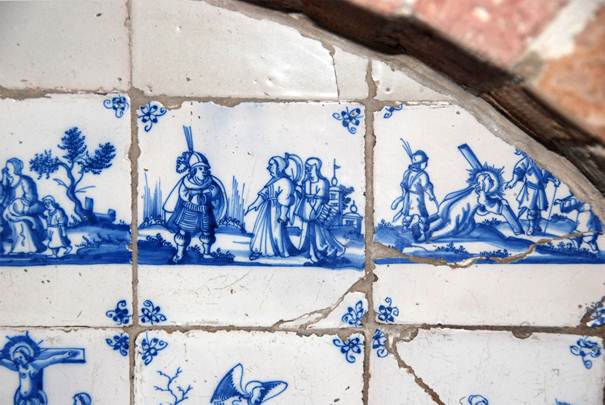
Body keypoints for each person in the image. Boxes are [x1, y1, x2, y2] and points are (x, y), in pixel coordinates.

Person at [163, 151, 225, 263]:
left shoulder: (210, 182)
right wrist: (194, 195)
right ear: (194, 170)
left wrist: (205, 195)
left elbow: (214, 191)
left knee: (207, 232)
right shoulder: (187, 182)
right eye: (200, 168)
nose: (204, 171)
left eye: (205, 168)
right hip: (189, 210)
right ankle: (180, 253)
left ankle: (206, 253)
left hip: (205, 211)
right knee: (183, 232)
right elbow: (184, 195)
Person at [245, 156, 298, 260]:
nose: (268, 168)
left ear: (279, 167)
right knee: (262, 229)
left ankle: (277, 250)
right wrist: (253, 205)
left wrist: (283, 215)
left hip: (276, 211)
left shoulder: (285, 182)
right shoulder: (272, 180)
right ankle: (259, 250)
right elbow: (263, 195)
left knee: (276, 230)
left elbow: (285, 201)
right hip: (267, 210)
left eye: (271, 165)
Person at [0, 337, 79, 405]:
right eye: (16, 359)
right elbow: (3, 362)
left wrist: (65, 355)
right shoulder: (18, 367)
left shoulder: (35, 365)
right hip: (22, 400)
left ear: (25, 355)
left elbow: (51, 360)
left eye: (20, 357)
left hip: (34, 399)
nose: (19, 360)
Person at [295, 158, 345, 263]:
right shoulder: (306, 182)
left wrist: (313, 214)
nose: (308, 170)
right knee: (310, 233)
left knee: (321, 233)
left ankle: (330, 250)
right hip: (307, 209)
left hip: (317, 211)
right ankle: (313, 253)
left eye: (310, 167)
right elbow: (303, 196)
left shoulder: (323, 182)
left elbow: (321, 199)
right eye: (307, 167)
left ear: (317, 168)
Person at [505, 149, 560, 235]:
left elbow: (549, 174)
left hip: (540, 190)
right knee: (532, 209)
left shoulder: (545, 163)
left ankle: (536, 225)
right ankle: (531, 227)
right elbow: (519, 170)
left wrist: (555, 180)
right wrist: (513, 181)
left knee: (538, 209)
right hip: (530, 190)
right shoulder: (527, 161)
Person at [0, 158, 45, 254]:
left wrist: (21, 203)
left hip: (23, 207)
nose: (6, 170)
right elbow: (3, 196)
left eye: (8, 168)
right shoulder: (7, 182)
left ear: (15, 168)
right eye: (6, 168)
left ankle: (26, 247)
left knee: (20, 221)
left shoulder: (25, 180)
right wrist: (3, 181)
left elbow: (31, 196)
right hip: (10, 209)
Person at [391, 149, 436, 241]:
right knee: (423, 215)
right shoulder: (423, 175)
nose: (426, 164)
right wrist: (431, 195)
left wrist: (404, 194)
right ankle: (424, 232)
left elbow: (403, 184)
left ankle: (405, 228)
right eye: (425, 162)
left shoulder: (407, 172)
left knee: (408, 214)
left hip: (408, 198)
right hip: (418, 198)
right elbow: (427, 186)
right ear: (420, 163)